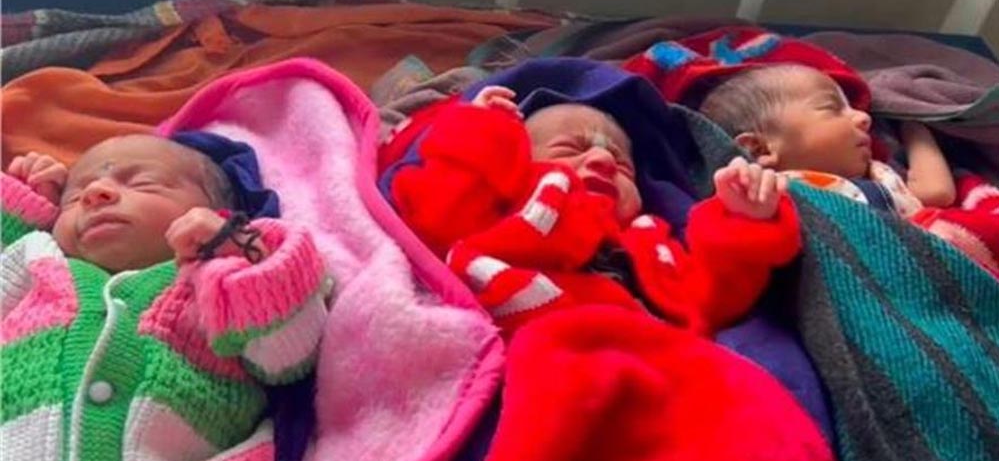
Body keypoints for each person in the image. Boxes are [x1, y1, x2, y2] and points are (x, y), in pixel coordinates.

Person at [1, 135, 330, 461]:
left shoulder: (220, 280)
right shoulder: (38, 260)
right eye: (73, 198)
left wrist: (247, 252)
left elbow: (289, 358)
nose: (94, 193)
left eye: (142, 183)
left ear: (217, 212)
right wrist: (23, 207)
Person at [388, 85, 802, 336]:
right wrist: (480, 133)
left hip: (650, 365)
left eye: (623, 165)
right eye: (570, 148)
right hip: (529, 353)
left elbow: (715, 298)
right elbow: (435, 216)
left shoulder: (651, 243)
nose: (603, 161)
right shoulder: (501, 211)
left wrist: (743, 219)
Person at [698, 63, 999, 274]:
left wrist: (914, 128)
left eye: (853, 108)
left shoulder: (877, 173)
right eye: (832, 108)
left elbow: (937, 193)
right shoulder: (773, 193)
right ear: (760, 149)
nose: (863, 118)